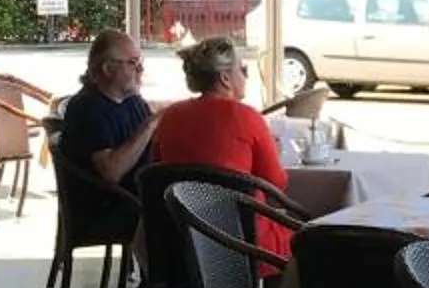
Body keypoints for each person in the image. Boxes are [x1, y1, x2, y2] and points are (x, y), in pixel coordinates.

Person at [147, 36, 294, 261]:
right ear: (225, 78)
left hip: (182, 240)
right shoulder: (247, 118)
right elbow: (276, 183)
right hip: (242, 241)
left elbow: (158, 169)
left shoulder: (170, 117)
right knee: (303, 239)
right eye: (242, 69)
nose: (245, 76)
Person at [55, 28, 156, 196]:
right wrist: (150, 125)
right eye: (132, 63)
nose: (140, 70)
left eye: (140, 62)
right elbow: (111, 172)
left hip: (140, 197)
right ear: (108, 68)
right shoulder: (86, 107)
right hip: (115, 210)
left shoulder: (132, 101)